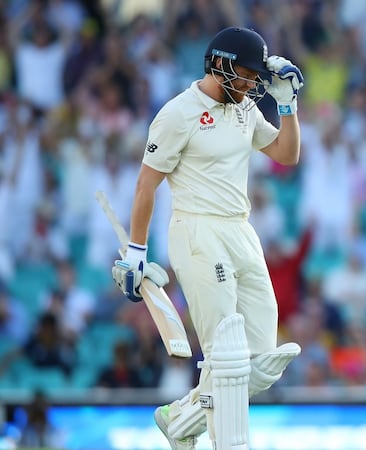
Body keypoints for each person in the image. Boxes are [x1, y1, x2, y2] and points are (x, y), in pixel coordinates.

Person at [110, 27, 304, 450]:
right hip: (198, 230)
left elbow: (287, 156)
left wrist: (287, 105)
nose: (254, 85)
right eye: (248, 75)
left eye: (257, 77)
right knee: (226, 359)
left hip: (241, 229)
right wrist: (137, 251)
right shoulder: (178, 113)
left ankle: (180, 420)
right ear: (220, 65)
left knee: (259, 361)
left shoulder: (244, 109)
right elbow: (146, 185)